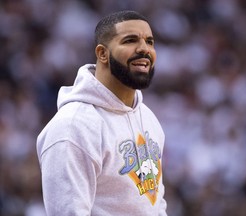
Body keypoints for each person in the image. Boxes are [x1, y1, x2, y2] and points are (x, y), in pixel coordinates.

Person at [36, 10, 167, 216]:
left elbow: (156, 203)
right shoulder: (73, 127)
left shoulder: (148, 117)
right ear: (102, 53)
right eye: (130, 40)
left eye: (150, 41)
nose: (144, 49)